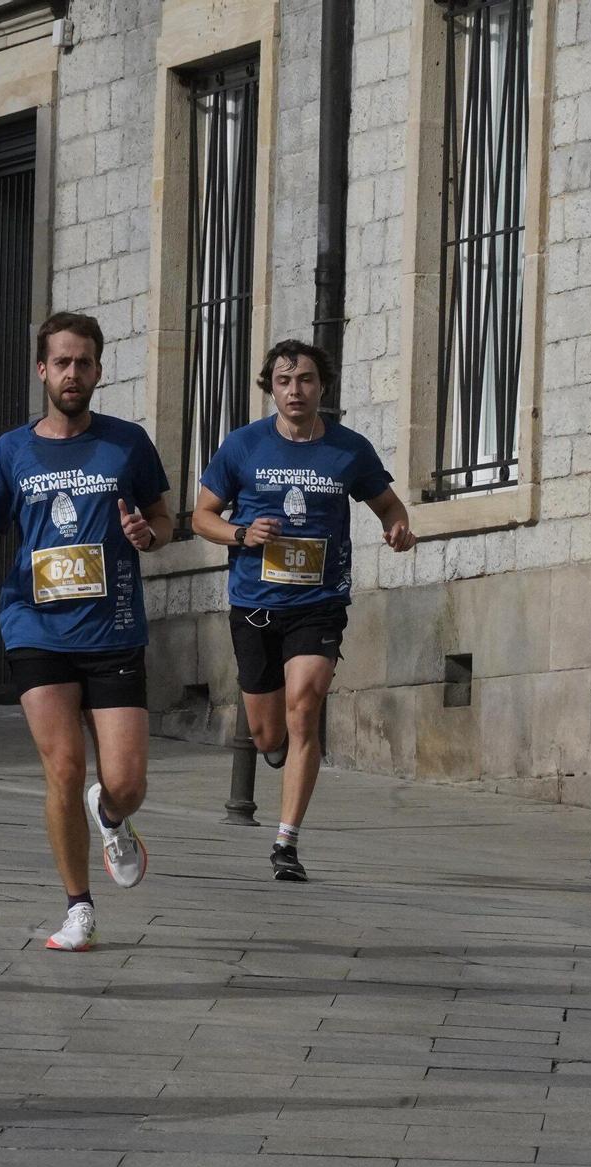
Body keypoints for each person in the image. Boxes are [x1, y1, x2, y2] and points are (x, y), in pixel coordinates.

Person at [0, 312, 172, 952]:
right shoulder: (12, 450)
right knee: (63, 767)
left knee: (127, 781)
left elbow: (163, 521)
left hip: (114, 629)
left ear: (99, 370)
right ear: (42, 370)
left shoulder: (127, 443)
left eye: (84, 362)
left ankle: (111, 815)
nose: (72, 373)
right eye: (61, 362)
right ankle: (79, 906)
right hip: (35, 626)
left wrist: (148, 535)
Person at [191, 338, 415, 882]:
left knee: (305, 705)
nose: (296, 390)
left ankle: (286, 841)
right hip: (255, 603)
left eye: (307, 380)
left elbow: (388, 504)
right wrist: (243, 533)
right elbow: (201, 517)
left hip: (319, 602)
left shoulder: (348, 450)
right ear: (271, 387)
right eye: (285, 381)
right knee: (270, 734)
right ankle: (276, 752)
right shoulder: (242, 446)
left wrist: (398, 527)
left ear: (322, 387)